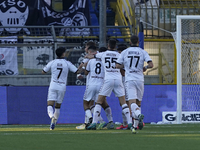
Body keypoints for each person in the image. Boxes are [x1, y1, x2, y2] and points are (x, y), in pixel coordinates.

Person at [85, 39, 132, 130]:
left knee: (99, 101)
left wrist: (88, 55)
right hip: (118, 79)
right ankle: (129, 123)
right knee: (123, 102)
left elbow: (93, 56)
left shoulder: (103, 54)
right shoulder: (119, 55)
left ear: (108, 45)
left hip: (108, 79)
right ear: (115, 46)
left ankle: (94, 123)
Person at [116, 35, 153, 133]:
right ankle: (135, 127)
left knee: (132, 103)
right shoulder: (143, 52)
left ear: (130, 42)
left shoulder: (125, 52)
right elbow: (151, 64)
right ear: (138, 41)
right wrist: (145, 68)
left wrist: (126, 65)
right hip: (140, 79)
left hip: (130, 79)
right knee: (138, 103)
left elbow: (117, 65)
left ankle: (137, 115)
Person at [42, 47, 80, 130]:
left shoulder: (52, 62)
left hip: (53, 85)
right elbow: (77, 71)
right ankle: (54, 122)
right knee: (58, 106)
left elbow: (43, 71)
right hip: (62, 86)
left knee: (50, 104)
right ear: (63, 54)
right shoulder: (67, 63)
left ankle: (52, 117)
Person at [84, 45, 113, 129]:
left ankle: (92, 120)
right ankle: (109, 121)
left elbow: (86, 73)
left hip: (92, 84)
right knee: (102, 103)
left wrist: (85, 66)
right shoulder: (106, 61)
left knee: (87, 103)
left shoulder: (91, 60)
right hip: (102, 84)